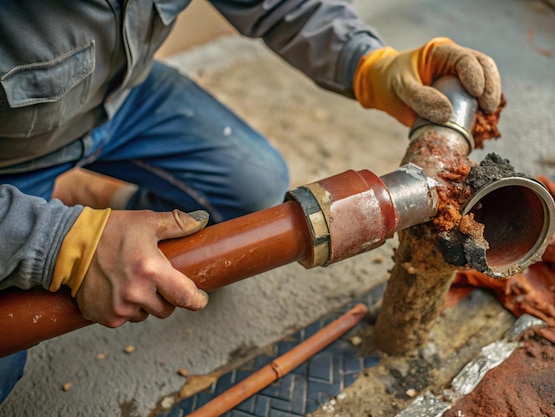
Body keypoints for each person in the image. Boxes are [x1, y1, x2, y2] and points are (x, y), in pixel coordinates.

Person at [0, 0, 501, 403]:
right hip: (12, 153)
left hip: (121, 95)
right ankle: (57, 205)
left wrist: (369, 62)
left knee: (251, 186)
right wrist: (56, 240)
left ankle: (102, 197)